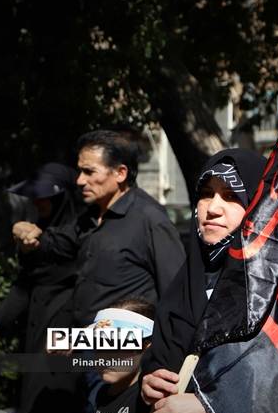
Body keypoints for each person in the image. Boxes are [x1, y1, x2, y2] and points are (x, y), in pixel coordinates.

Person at [140, 148, 266, 413]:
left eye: (232, 196)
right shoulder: (186, 282)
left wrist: (210, 405)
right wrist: (150, 382)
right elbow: (162, 355)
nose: (213, 208)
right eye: (207, 194)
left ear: (259, 206)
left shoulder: (273, 291)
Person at [11, 130, 185, 327]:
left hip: (130, 342)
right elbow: (54, 245)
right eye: (80, 171)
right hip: (85, 340)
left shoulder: (150, 219)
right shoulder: (91, 216)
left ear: (120, 173)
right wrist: (25, 233)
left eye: (89, 172)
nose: (80, 181)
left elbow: (177, 293)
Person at [0, 162, 85, 413]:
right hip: (36, 333)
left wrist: (37, 241)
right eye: (35, 197)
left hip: (66, 336)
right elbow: (26, 284)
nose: (38, 203)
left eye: (46, 197)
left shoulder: (80, 233)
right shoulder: (38, 230)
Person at [91, 298, 155, 413]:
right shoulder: (102, 393)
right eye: (97, 343)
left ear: (146, 348)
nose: (104, 356)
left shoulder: (148, 399)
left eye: (117, 345)